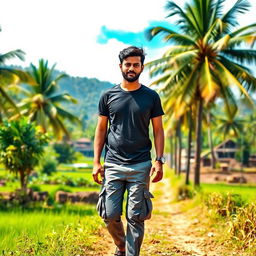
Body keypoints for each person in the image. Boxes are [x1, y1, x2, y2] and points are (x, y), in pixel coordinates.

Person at [93, 46, 165, 256]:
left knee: (136, 215)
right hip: (113, 163)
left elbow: (158, 130)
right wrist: (96, 161)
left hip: (141, 164)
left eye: (136, 64)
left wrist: (159, 160)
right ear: (120, 66)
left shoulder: (151, 96)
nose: (131, 68)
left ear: (142, 67)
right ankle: (122, 245)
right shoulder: (108, 96)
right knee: (109, 213)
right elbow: (100, 129)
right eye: (128, 64)